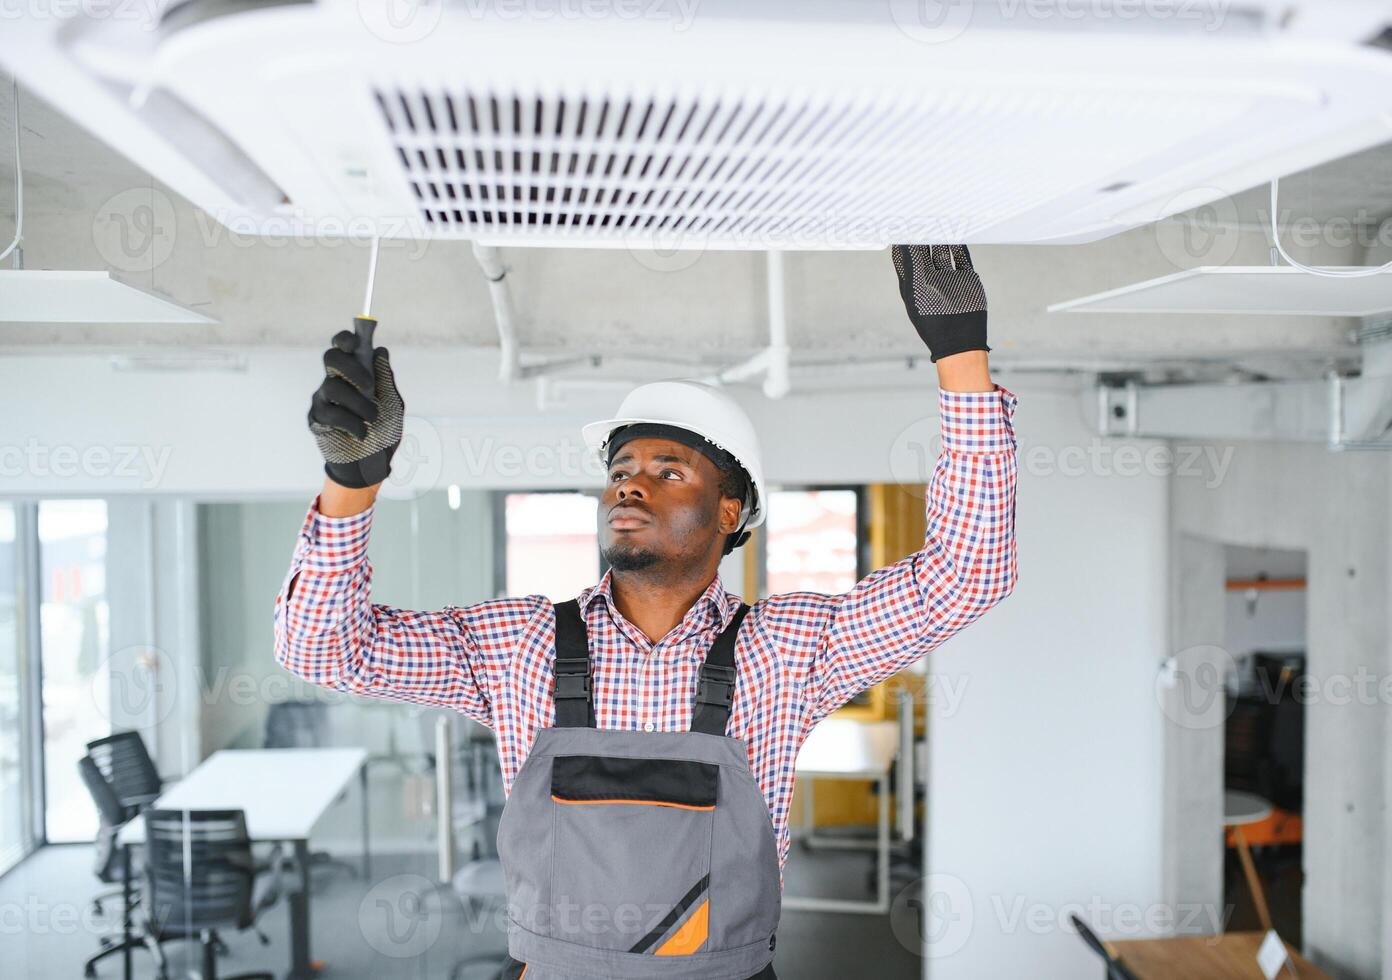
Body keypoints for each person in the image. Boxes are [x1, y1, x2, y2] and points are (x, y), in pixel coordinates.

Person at [274, 244, 1018, 979]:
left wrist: (960, 359)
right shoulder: (519, 643)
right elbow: (323, 653)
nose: (630, 487)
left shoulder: (789, 648)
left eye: (668, 472)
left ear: (730, 510)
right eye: (622, 471)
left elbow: (967, 573)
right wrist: (351, 485)